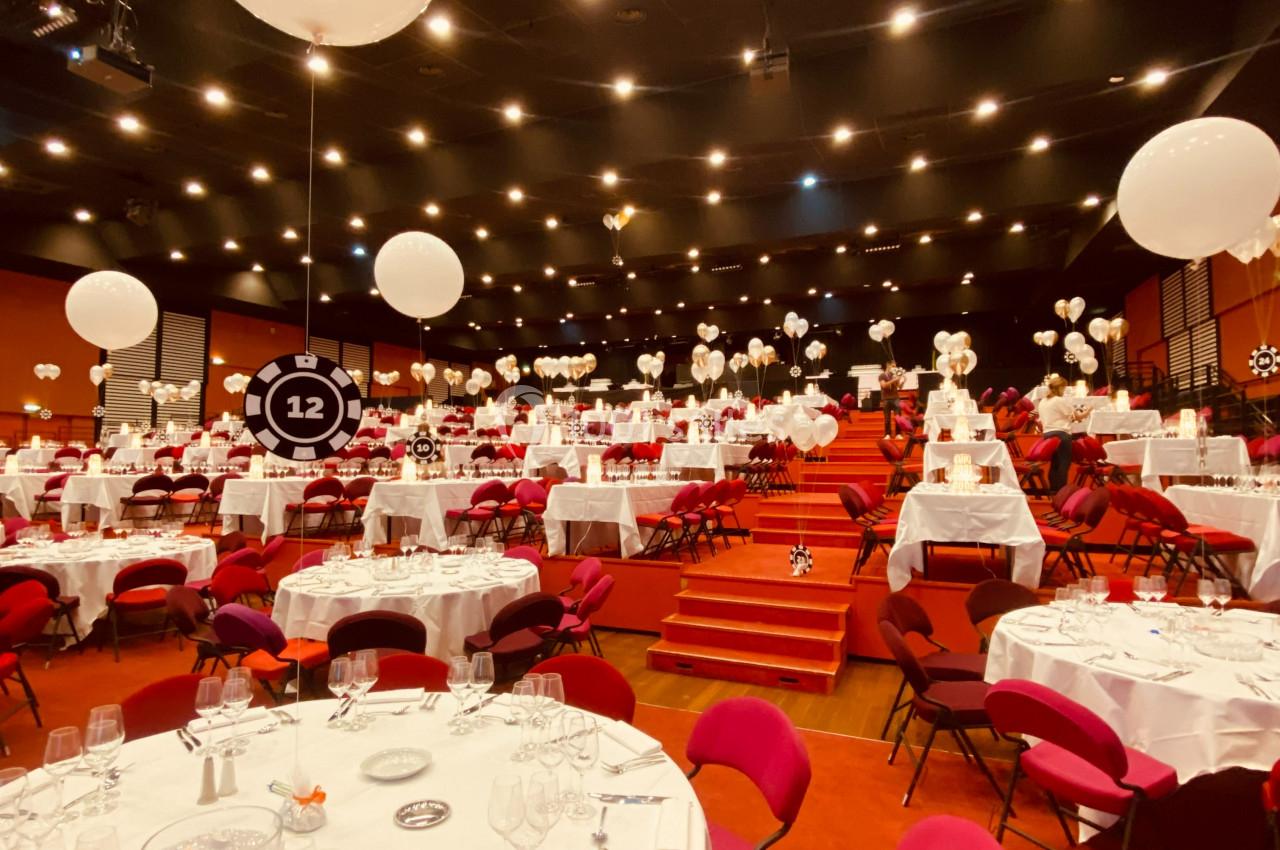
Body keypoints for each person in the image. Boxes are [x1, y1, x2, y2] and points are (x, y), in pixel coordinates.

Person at [1036, 376, 1088, 491]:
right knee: (1063, 464)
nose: (1064, 391)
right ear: (1059, 388)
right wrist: (1089, 410)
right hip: (1061, 435)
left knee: (1055, 464)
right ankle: (1061, 491)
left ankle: (1054, 489)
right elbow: (1076, 417)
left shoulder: (1043, 401)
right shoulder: (1059, 400)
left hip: (1047, 435)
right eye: (1063, 388)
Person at [879, 360, 904, 439]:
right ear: (888, 365)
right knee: (887, 418)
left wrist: (903, 380)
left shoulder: (894, 375)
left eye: (895, 366)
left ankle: (898, 434)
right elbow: (883, 385)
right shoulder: (882, 375)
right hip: (886, 399)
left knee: (898, 417)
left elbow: (899, 387)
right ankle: (887, 434)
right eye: (893, 366)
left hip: (895, 398)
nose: (894, 368)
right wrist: (894, 380)